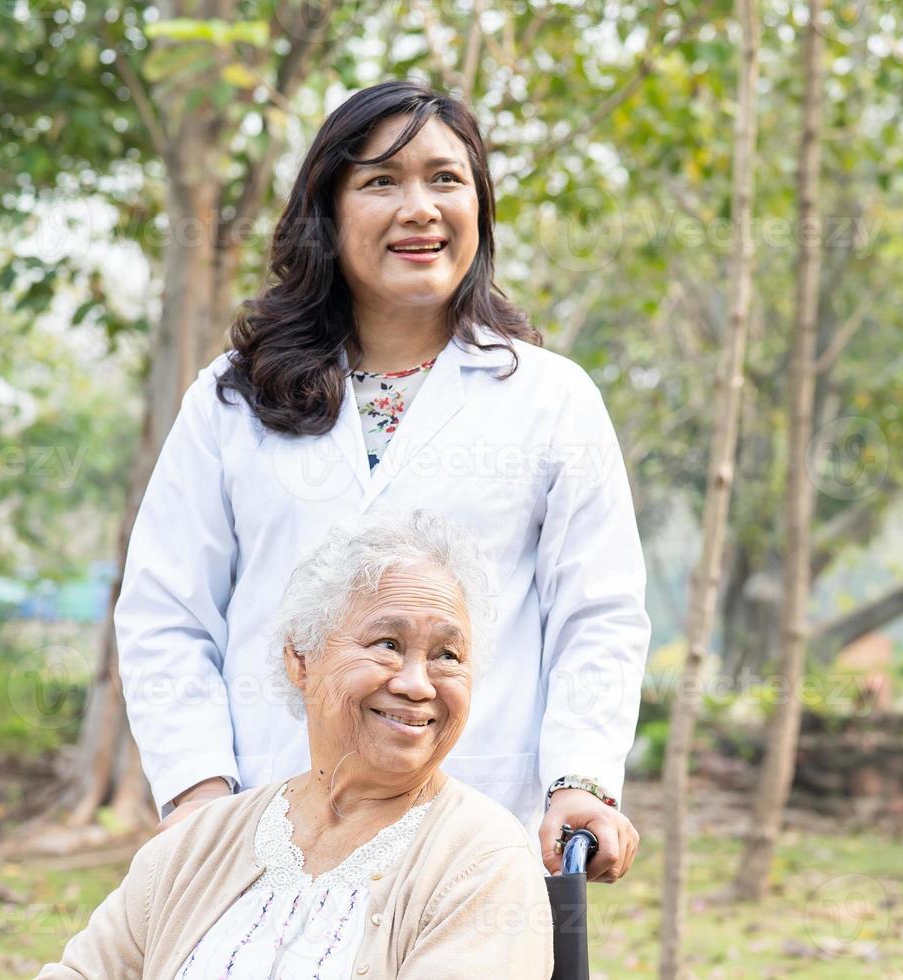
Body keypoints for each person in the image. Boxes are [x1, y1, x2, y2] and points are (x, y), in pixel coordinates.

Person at [115, 79, 649, 881]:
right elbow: (167, 608)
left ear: (479, 208)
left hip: (477, 825)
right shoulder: (232, 398)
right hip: (263, 820)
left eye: (445, 179)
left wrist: (578, 780)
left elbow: (598, 614)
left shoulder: (551, 399)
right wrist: (198, 790)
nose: (420, 208)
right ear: (328, 214)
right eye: (380, 181)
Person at [41, 510, 553, 977]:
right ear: (301, 661)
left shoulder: (480, 861)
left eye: (447, 655)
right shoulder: (199, 843)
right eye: (387, 645)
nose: (418, 685)